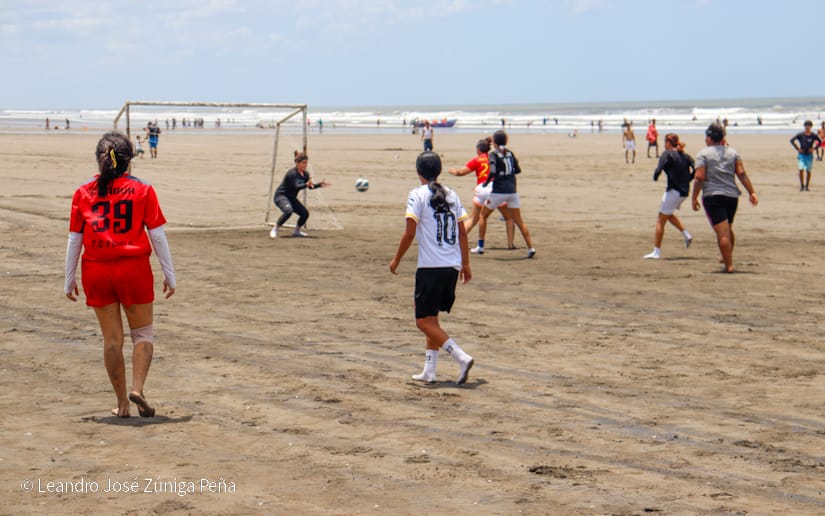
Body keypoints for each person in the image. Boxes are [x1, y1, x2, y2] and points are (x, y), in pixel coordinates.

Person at [64, 131, 176, 417]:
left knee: (112, 341)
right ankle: (137, 388)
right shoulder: (143, 190)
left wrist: (69, 278)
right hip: (133, 269)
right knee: (143, 333)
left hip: (96, 270)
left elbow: (75, 238)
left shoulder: (83, 191)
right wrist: (169, 273)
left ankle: (123, 404)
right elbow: (158, 236)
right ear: (129, 162)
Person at [389, 151, 474, 385]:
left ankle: (460, 356)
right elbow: (463, 232)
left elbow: (409, 232)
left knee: (422, 321)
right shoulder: (451, 194)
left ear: (418, 172)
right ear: (438, 171)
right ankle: (430, 370)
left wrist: (396, 259)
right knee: (432, 319)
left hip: (431, 267)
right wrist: (465, 264)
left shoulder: (417, 195)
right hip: (451, 266)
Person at [691, 123, 758, 273]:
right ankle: (726, 256)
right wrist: (751, 192)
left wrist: (694, 197)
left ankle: (728, 265)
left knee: (722, 233)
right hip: (732, 197)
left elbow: (699, 177)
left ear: (708, 138)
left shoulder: (703, 154)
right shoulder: (733, 153)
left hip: (713, 196)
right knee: (727, 229)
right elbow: (741, 173)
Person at [448, 137, 514, 254]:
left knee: (473, 219)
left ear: (478, 149)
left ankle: (458, 240)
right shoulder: (495, 158)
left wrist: (452, 170)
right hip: (496, 190)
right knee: (509, 217)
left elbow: (461, 172)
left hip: (482, 190)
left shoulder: (477, 160)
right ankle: (510, 243)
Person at [481, 130, 536, 258]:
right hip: (512, 191)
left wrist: (486, 182)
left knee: (483, 216)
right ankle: (530, 247)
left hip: (498, 192)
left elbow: (493, 170)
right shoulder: (510, 153)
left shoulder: (493, 154)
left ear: (494, 142)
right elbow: (518, 170)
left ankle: (480, 246)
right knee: (519, 220)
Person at [643, 134, 694, 259]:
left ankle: (656, 252)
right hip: (684, 192)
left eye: (665, 142)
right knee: (668, 213)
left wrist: (655, 175)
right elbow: (696, 167)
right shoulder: (685, 155)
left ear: (669, 143)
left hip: (673, 191)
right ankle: (686, 234)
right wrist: (689, 179)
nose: (664, 145)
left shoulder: (667, 153)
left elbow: (660, 166)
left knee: (661, 219)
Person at [269, 152, 329, 238]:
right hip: (281, 196)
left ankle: (297, 231)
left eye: (306, 163)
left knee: (305, 213)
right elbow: (297, 186)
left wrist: (319, 185)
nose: (305, 165)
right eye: (303, 163)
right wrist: (306, 184)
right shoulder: (291, 173)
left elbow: (310, 186)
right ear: (297, 163)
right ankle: (275, 229)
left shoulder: (306, 174)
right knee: (288, 211)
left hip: (291, 198)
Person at [790, 120, 822, 190]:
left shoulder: (813, 135)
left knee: (808, 170)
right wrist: (797, 148)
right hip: (801, 154)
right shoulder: (801, 135)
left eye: (809, 126)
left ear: (811, 127)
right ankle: (802, 186)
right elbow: (792, 140)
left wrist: (814, 148)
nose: (807, 127)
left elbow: (820, 142)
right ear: (804, 127)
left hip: (809, 155)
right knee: (801, 169)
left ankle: (807, 186)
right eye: (806, 126)